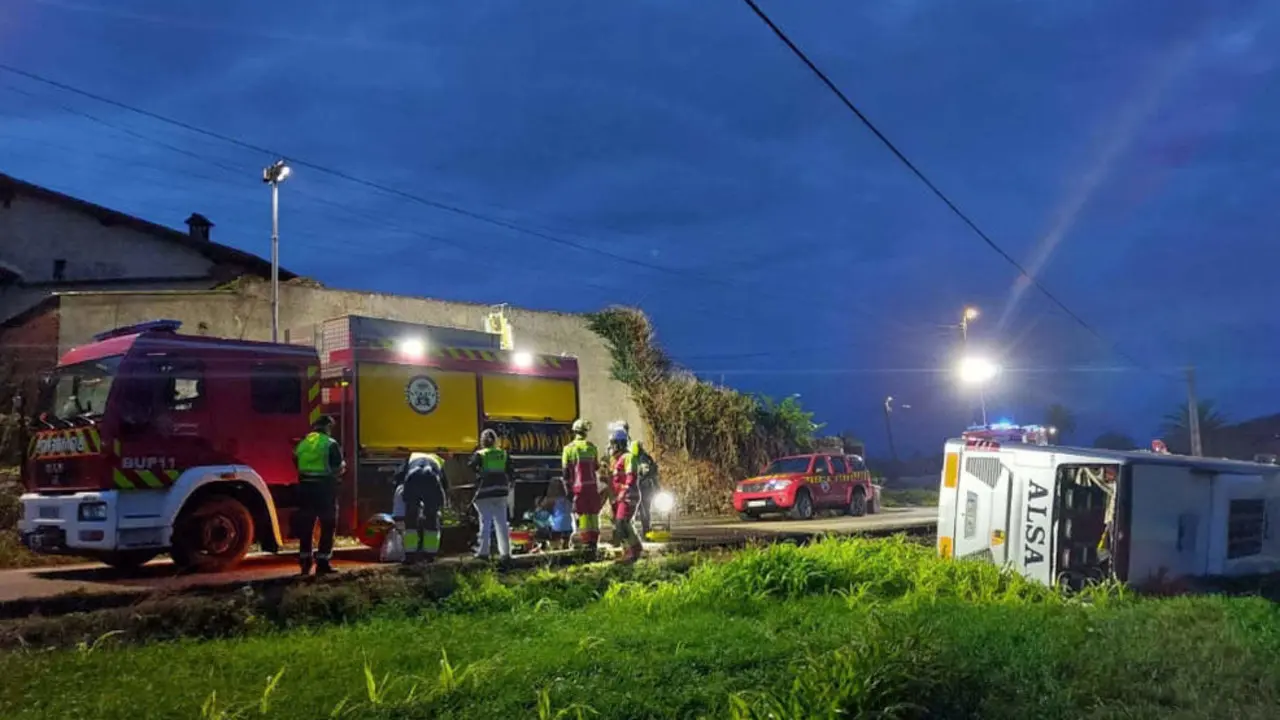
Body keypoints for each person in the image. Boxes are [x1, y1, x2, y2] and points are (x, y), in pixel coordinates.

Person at [293, 415, 345, 576]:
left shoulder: (304, 443)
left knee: (306, 525)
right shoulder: (330, 443)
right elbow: (338, 466)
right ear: (328, 427)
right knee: (328, 525)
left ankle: (305, 561)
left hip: (305, 488)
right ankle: (322, 562)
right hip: (324, 489)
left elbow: (295, 459)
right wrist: (340, 471)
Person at [391, 452, 448, 564]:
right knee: (431, 519)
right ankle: (429, 555)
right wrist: (439, 505)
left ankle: (410, 555)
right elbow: (444, 484)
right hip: (431, 479)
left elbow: (398, 477)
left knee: (411, 519)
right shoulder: (437, 460)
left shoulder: (412, 456)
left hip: (412, 479)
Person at [468, 429, 513, 561]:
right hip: (501, 492)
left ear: (482, 442)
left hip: (485, 492)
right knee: (502, 523)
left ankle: (483, 552)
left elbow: (471, 466)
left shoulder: (480, 454)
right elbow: (511, 471)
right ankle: (505, 553)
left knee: (485, 522)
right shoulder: (503, 453)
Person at [611, 420, 661, 536]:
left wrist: (625, 488)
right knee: (623, 519)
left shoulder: (634, 453)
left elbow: (637, 473)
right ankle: (628, 540)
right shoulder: (620, 453)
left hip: (635, 489)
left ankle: (641, 534)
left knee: (629, 517)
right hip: (628, 490)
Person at [561, 418, 602, 553]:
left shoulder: (568, 449)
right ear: (586, 432)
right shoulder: (592, 447)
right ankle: (593, 542)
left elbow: (565, 473)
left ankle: (584, 543)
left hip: (577, 488)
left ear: (574, 431)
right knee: (593, 515)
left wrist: (568, 490)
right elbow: (596, 467)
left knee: (582, 515)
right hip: (592, 487)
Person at [608, 428, 643, 564]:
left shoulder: (628, 457)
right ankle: (633, 548)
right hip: (620, 497)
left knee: (622, 522)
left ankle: (633, 551)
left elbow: (631, 476)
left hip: (628, 495)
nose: (611, 447)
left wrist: (624, 490)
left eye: (613, 443)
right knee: (620, 523)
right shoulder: (615, 460)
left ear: (620, 444)